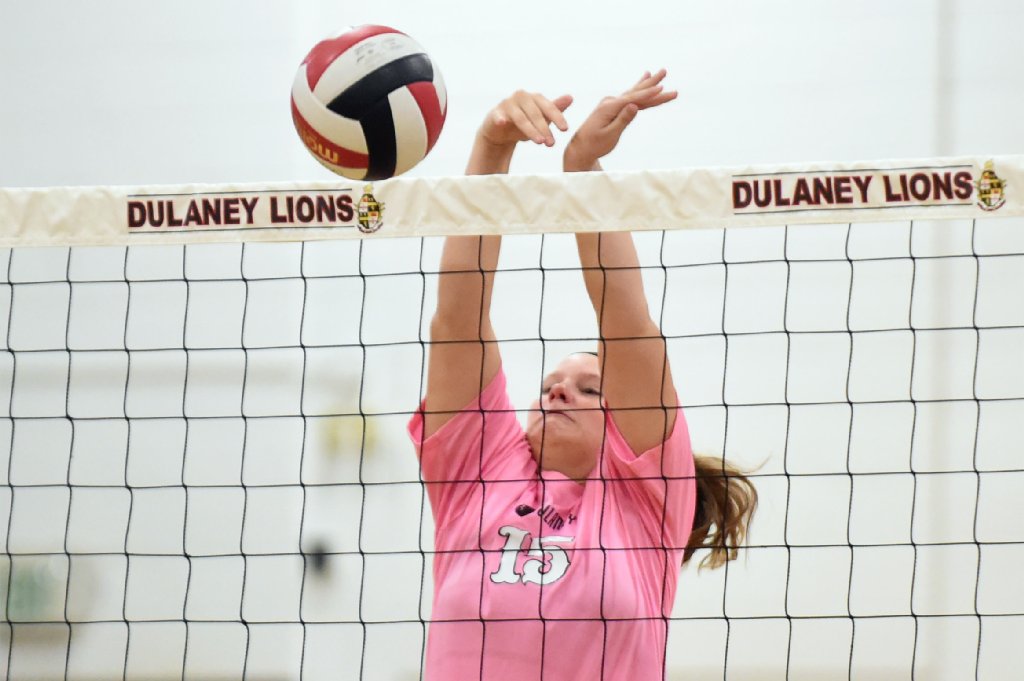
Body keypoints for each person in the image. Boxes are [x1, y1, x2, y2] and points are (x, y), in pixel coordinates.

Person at [408, 70, 757, 681]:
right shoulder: (482, 473)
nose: (557, 390)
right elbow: (458, 320)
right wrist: (492, 149)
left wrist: (582, 175)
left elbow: (627, 325)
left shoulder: (644, 498)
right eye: (549, 385)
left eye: (591, 387)